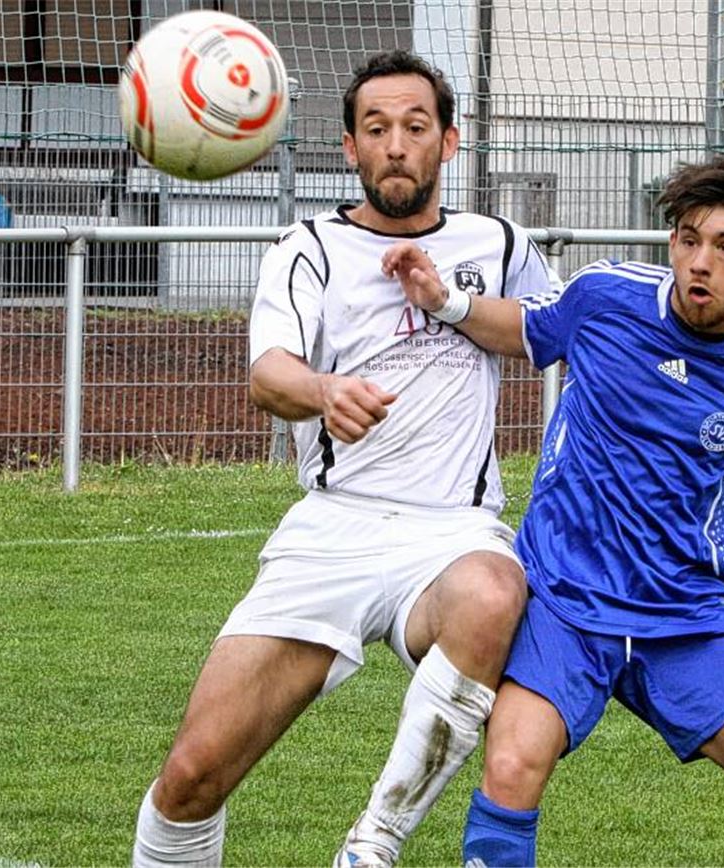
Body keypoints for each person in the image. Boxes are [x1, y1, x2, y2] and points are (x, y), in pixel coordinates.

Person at [382, 154, 724, 866]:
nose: (701, 261)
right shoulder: (605, 297)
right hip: (563, 602)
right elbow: (526, 329)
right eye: (689, 239)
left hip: (685, 619)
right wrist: (444, 301)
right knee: (510, 768)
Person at [133, 49, 561, 868]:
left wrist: (451, 301)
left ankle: (373, 845)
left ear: (449, 142)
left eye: (414, 126)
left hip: (452, 530)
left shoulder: (498, 241)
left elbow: (548, 333)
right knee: (191, 777)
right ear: (349, 148)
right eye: (376, 129)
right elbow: (269, 374)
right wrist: (325, 392)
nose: (396, 144)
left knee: (496, 589)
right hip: (333, 529)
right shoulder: (310, 248)